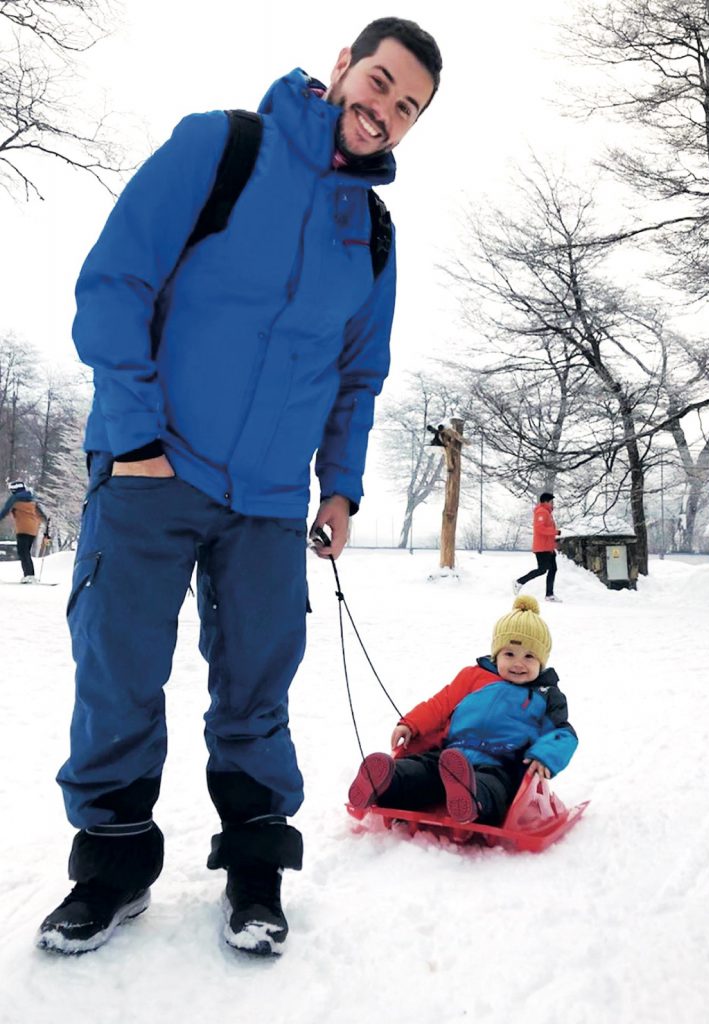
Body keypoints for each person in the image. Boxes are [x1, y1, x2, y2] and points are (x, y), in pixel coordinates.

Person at [36, 18, 443, 958]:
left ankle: (255, 869)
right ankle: (112, 867)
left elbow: (357, 377)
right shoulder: (222, 148)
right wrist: (135, 438)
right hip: (152, 470)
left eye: (407, 107)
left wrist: (339, 487)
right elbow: (113, 283)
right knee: (119, 674)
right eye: (379, 83)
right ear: (342, 67)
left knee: (258, 689)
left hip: (266, 500)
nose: (383, 111)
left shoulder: (373, 235)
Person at [348, 596, 578, 826]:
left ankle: (471, 799)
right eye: (509, 654)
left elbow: (562, 733)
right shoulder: (473, 677)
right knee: (422, 769)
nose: (518, 663)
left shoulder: (546, 694)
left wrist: (545, 756)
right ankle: (385, 782)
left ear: (542, 662)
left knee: (492, 786)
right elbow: (441, 703)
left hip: (502, 763)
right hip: (450, 756)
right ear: (496, 655)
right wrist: (411, 724)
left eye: (529, 656)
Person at [514, 492, 561, 601]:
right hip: (542, 548)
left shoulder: (547, 513)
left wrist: (553, 545)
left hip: (548, 548)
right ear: (546, 502)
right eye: (551, 502)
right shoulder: (541, 512)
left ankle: (549, 595)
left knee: (553, 569)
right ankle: (519, 582)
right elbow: (540, 529)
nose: (553, 504)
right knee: (542, 570)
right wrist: (555, 532)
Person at [0, 480, 47, 582]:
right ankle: (29, 575)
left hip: (23, 528)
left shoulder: (15, 499)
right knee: (26, 552)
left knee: (23, 552)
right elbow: (42, 515)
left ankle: (29, 575)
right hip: (33, 529)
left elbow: (5, 511)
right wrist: (46, 526)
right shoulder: (32, 499)